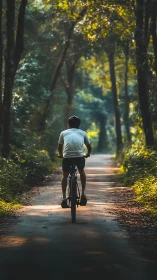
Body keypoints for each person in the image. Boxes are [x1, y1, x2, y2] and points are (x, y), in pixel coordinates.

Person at [58, 115, 92, 208]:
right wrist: (88, 154)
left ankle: (64, 198)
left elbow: (60, 146)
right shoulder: (83, 133)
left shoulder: (63, 133)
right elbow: (89, 147)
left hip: (67, 157)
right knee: (81, 172)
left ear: (69, 124)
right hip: (79, 157)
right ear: (79, 124)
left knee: (65, 175)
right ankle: (83, 193)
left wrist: (61, 155)